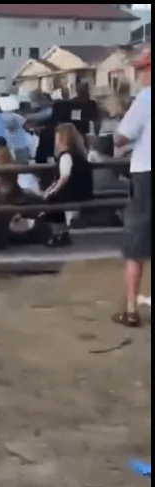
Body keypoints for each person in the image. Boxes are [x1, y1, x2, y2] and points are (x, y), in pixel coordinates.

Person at [112, 46, 151, 328]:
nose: (138, 74)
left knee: (136, 243)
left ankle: (130, 309)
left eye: (141, 69)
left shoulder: (146, 98)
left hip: (146, 174)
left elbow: (121, 137)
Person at [42, 123, 94, 247]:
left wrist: (50, 192)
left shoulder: (66, 156)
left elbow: (64, 177)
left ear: (61, 139)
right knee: (54, 200)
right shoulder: (80, 155)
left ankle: (58, 234)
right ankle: (62, 234)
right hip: (84, 192)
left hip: (73, 193)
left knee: (52, 202)